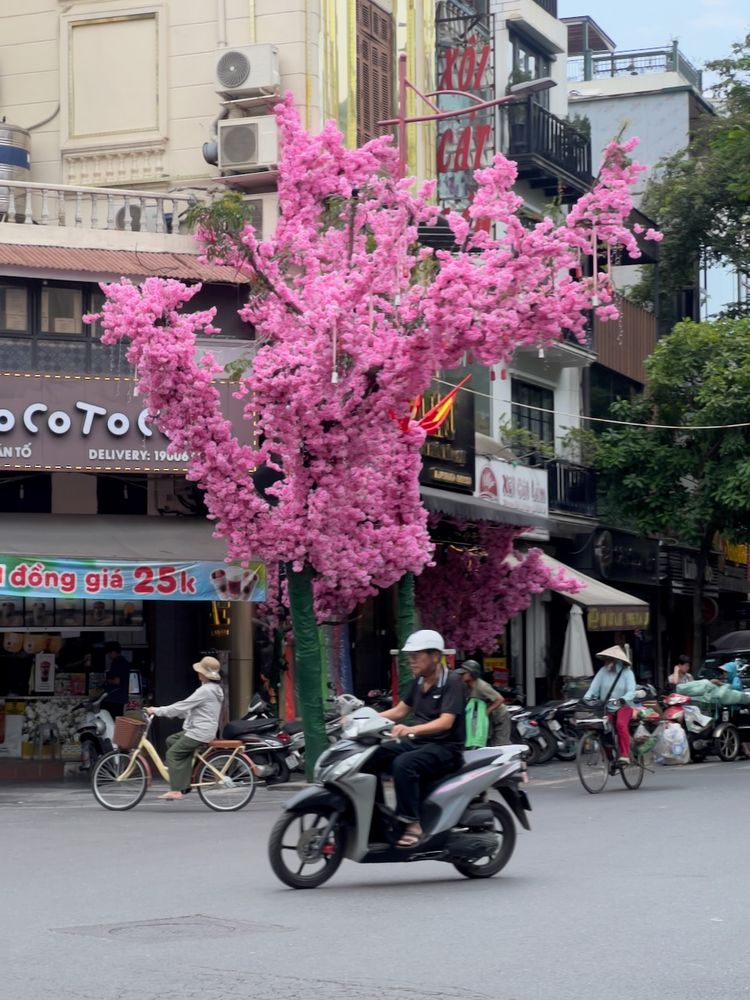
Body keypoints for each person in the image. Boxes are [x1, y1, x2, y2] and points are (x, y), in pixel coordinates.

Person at [375, 630, 465, 848]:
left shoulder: (452, 682)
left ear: (435, 656)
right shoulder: (418, 682)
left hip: (446, 747)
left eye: (417, 655)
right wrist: (360, 718)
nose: (411, 660)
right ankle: (377, 816)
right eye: (410, 655)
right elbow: (398, 712)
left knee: (403, 764)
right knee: (374, 754)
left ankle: (412, 824)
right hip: (420, 742)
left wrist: (410, 730)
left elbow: (446, 723)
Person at [146, 655, 224, 801]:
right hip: (201, 729)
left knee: (173, 754)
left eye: (200, 671)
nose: (198, 673)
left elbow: (182, 705)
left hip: (199, 732)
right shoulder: (214, 689)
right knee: (171, 741)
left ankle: (176, 790)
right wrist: (174, 713)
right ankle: (184, 783)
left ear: (203, 674)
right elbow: (191, 708)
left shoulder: (206, 690)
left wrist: (157, 710)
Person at [583, 645, 636, 765]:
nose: (607, 662)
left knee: (621, 725)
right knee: (601, 727)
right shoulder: (602, 672)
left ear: (617, 661)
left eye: (610, 659)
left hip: (624, 706)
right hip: (606, 707)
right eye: (606, 659)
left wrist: (623, 699)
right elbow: (593, 689)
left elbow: (631, 691)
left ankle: (624, 755)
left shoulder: (627, 673)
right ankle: (609, 758)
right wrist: (586, 700)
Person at [455, 660, 511, 747]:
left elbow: (499, 699)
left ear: (472, 674)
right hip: (486, 718)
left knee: (500, 744)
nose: (461, 676)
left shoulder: (482, 686)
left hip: (499, 716)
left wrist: (486, 712)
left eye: (464, 673)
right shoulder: (467, 687)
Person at [101, 641, 130, 718]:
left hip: (114, 698)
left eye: (109, 653)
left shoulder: (117, 662)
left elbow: (116, 681)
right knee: (116, 721)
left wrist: (105, 680)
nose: (108, 656)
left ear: (113, 652)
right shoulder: (124, 661)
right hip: (120, 698)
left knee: (107, 719)